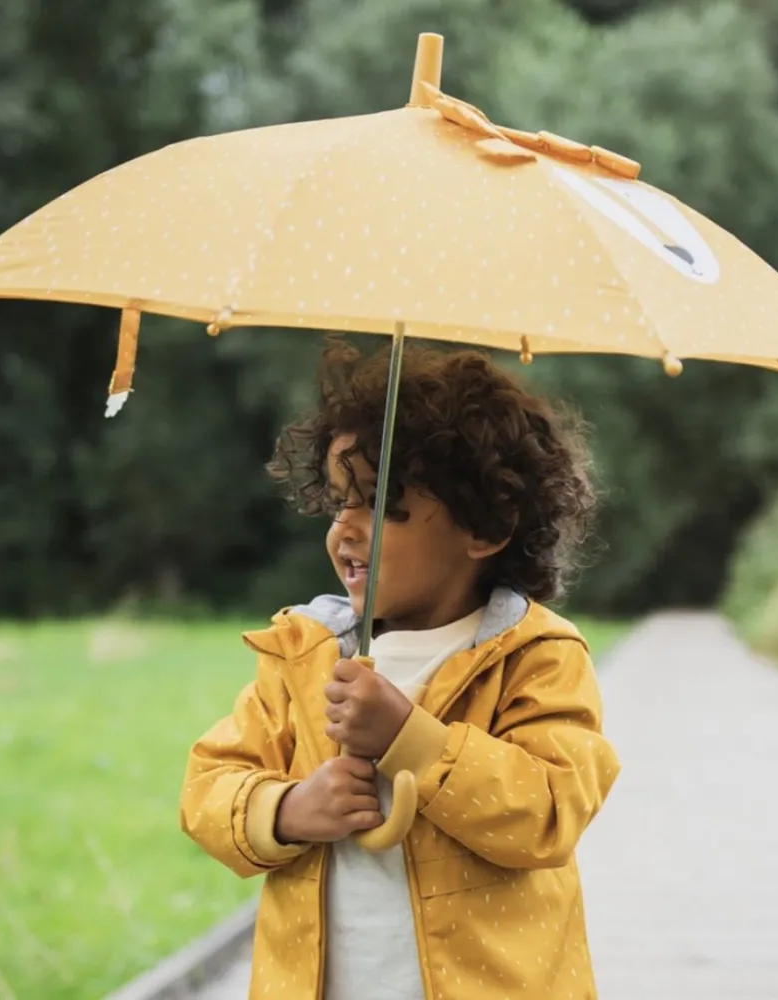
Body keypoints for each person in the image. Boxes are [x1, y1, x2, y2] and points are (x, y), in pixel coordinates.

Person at [180, 338, 621, 1000]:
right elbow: (209, 787)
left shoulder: (535, 659)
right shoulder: (307, 653)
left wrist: (408, 739)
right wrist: (290, 808)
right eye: (338, 502)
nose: (347, 530)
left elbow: (547, 811)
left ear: (487, 526)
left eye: (382, 507)